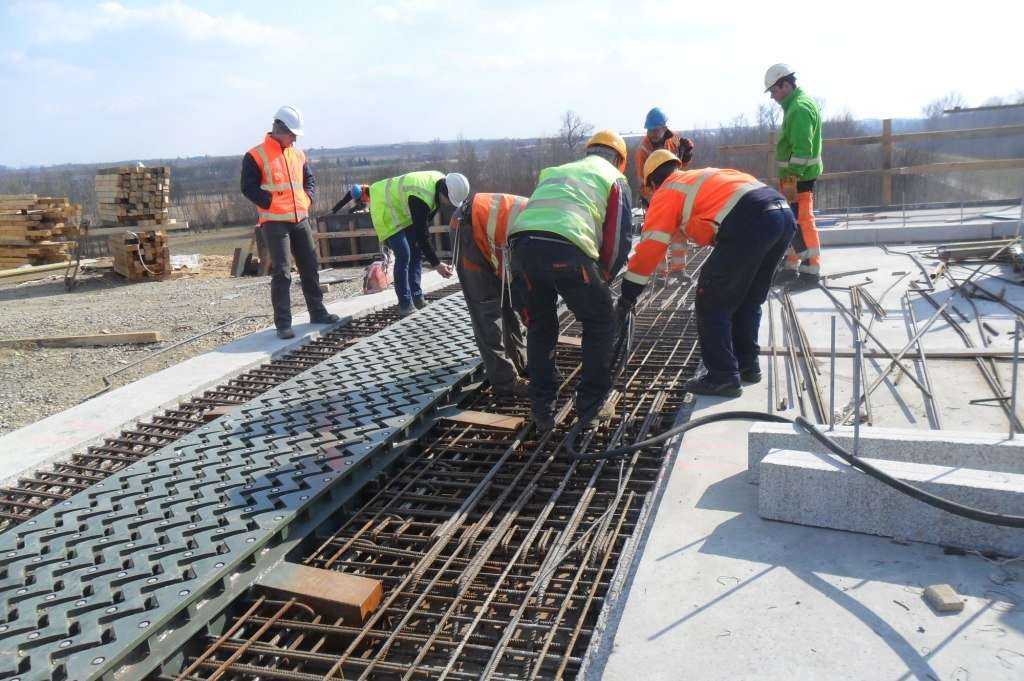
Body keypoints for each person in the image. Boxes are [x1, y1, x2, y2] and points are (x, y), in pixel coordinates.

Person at [620, 149, 796, 397]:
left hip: (750, 220)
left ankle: (723, 376)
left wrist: (628, 292)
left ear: (651, 182)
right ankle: (748, 366)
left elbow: (650, 247)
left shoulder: (668, 191)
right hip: (782, 215)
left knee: (711, 300)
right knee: (747, 298)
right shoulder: (698, 178)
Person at [508, 130, 633, 430]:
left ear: (589, 152)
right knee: (601, 322)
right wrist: (603, 275)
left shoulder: (555, 172)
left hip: (521, 248)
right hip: (568, 249)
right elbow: (618, 240)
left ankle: (542, 407)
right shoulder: (614, 177)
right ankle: (590, 405)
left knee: (541, 325)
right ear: (620, 160)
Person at [241, 105, 340, 340]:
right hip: (274, 222)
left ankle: (318, 312)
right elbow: (248, 187)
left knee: (310, 267)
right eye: (291, 134)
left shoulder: (298, 154)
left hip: (300, 219)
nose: (294, 138)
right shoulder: (255, 155)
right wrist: (269, 202)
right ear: (279, 129)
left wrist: (307, 198)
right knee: (283, 272)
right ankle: (283, 324)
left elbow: (309, 180)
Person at [449, 192, 529, 398]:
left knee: (508, 304)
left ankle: (522, 363)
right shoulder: (540, 237)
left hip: (490, 234)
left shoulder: (549, 227)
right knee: (487, 310)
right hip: (468, 229)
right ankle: (505, 382)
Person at [365, 171, 470, 314]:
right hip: (385, 208)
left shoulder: (440, 184)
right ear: (443, 192)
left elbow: (424, 226)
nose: (447, 204)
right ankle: (405, 304)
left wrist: (431, 257)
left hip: (402, 211)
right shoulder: (421, 197)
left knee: (416, 250)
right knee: (404, 255)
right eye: (448, 200)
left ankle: (417, 296)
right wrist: (436, 264)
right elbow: (422, 234)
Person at [764, 63, 823, 289]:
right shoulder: (794, 105)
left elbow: (803, 150)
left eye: (774, 91)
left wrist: (794, 178)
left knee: (803, 222)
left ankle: (810, 272)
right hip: (792, 179)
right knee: (791, 223)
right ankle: (791, 266)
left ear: (785, 85)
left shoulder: (798, 108)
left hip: (799, 178)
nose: (772, 97)